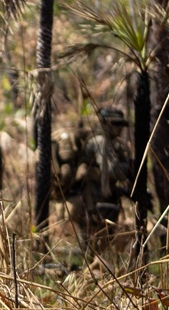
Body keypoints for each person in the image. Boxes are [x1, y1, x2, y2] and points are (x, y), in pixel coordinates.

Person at [54, 106, 132, 251]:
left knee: (99, 245)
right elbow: (111, 170)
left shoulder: (110, 143)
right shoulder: (100, 141)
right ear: (105, 123)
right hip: (94, 201)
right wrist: (129, 168)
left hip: (101, 201)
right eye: (115, 123)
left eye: (121, 124)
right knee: (95, 245)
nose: (119, 128)